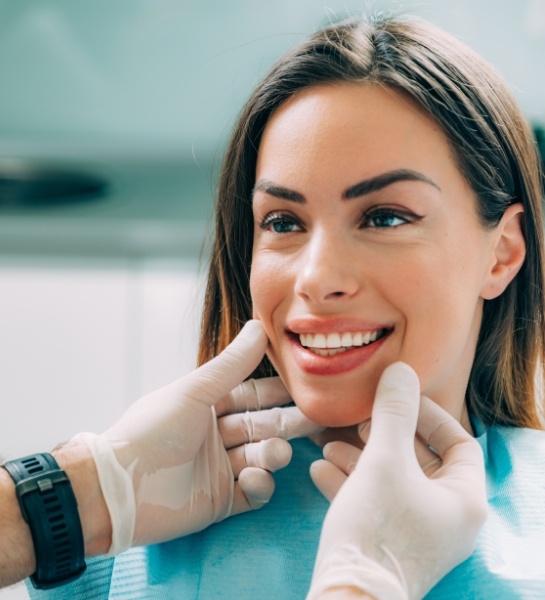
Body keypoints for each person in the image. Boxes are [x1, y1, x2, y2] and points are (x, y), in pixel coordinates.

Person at [2, 9, 544, 598]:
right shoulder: (113, 543)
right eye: (283, 222)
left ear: (502, 253)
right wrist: (80, 493)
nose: (316, 278)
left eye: (385, 216)